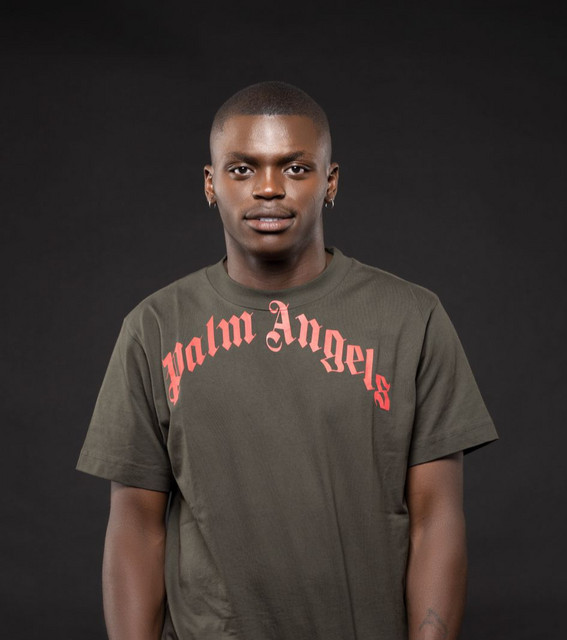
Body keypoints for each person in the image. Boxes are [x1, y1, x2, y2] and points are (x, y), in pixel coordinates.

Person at [77, 81, 498, 640]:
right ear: (210, 184)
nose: (269, 188)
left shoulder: (411, 318)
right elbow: (136, 524)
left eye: (296, 168)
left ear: (331, 182)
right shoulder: (153, 327)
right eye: (242, 169)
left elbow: (436, 520)